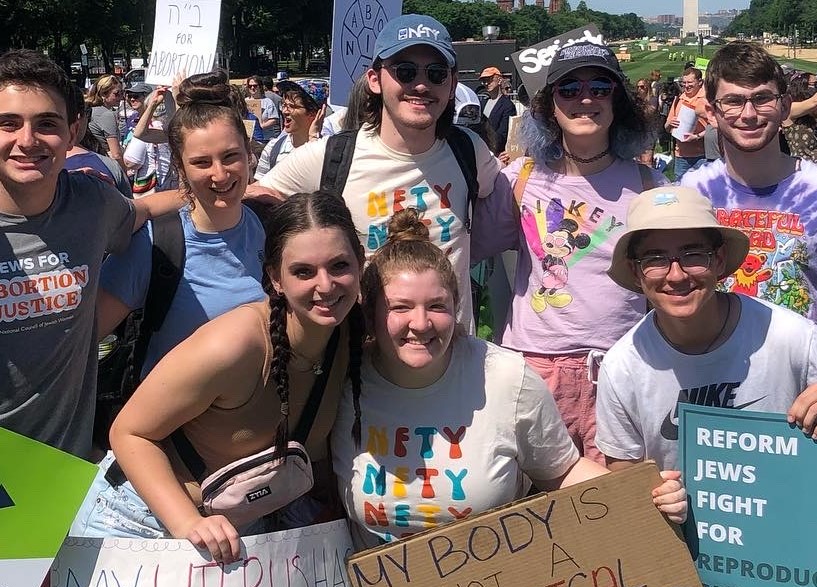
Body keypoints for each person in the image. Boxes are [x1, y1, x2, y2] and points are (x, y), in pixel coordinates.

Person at [330, 207, 686, 550]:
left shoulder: (505, 378)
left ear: (456, 307)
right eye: (401, 307)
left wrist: (646, 495)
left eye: (437, 306)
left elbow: (562, 472)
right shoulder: (343, 381)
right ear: (371, 312)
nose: (421, 324)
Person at [0, 48, 180, 587]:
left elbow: (140, 212)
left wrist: (215, 190)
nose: (28, 139)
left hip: (50, 463)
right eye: (9, 123)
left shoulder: (90, 205)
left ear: (74, 130)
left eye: (46, 123)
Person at [72, 191, 366, 566]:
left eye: (339, 265)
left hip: (239, 525)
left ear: (360, 263)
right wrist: (189, 523)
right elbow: (130, 433)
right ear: (275, 278)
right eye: (303, 271)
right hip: (138, 519)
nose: (325, 286)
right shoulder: (235, 344)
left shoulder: (352, 338)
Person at [472, 39, 663, 465]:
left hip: (619, 367)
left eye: (600, 87)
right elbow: (460, 250)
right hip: (534, 369)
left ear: (620, 103)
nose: (585, 99)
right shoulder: (520, 179)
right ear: (549, 106)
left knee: (615, 505)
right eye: (569, 89)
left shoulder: (651, 187)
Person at [248, 13, 501, 329]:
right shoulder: (333, 157)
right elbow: (250, 199)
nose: (421, 85)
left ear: (451, 86)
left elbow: (510, 194)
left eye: (436, 74)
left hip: (450, 355)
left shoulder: (470, 150)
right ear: (375, 80)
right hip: (361, 361)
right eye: (405, 71)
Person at [595, 185, 817, 473]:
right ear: (636, 272)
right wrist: (655, 502)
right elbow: (624, 481)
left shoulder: (792, 337)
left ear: (719, 260)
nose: (676, 275)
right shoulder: (622, 368)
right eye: (655, 260)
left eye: (693, 255)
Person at [96, 71, 267, 385]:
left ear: (248, 153)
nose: (220, 174)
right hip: (169, 428)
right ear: (180, 166)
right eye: (202, 162)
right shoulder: (154, 243)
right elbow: (79, 339)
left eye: (231, 157)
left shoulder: (267, 223)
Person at [679, 41, 817, 320]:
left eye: (763, 98)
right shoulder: (692, 192)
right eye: (733, 101)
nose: (749, 114)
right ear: (711, 112)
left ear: (785, 106)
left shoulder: (814, 188)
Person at [64, 86, 133, 197]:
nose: (121, 97)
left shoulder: (34, 170)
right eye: (117, 93)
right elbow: (131, 210)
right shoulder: (108, 166)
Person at [254, 79, 328, 179]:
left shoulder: (328, 150)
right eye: (284, 105)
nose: (284, 111)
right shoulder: (273, 148)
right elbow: (258, 190)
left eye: (292, 106)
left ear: (314, 113)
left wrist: (313, 139)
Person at [664, 67, 708, 179]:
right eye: (684, 83)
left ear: (700, 82)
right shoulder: (679, 99)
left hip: (702, 155)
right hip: (681, 156)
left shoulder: (707, 100)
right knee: (681, 190)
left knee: (702, 192)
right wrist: (670, 125)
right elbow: (666, 127)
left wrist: (697, 136)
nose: (686, 86)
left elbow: (716, 126)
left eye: (690, 82)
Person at [86, 73, 126, 169]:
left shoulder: (91, 109)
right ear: (103, 94)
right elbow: (116, 154)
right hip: (106, 165)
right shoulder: (107, 115)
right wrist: (124, 174)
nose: (121, 97)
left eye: (122, 93)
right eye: (116, 94)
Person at [478, 65, 516, 153]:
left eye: (489, 79)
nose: (486, 83)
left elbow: (504, 134)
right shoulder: (483, 103)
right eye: (484, 81)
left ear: (499, 80)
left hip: (495, 152)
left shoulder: (508, 106)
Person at [781, 71, 817, 162]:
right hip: (803, 170)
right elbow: (813, 102)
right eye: (815, 84)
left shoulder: (812, 112)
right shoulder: (790, 109)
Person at [245, 74, 280, 140]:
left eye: (255, 86)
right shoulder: (244, 101)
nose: (252, 88)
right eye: (250, 86)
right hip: (249, 138)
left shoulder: (268, 102)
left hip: (265, 138)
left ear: (260, 87)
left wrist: (262, 126)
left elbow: (274, 119)